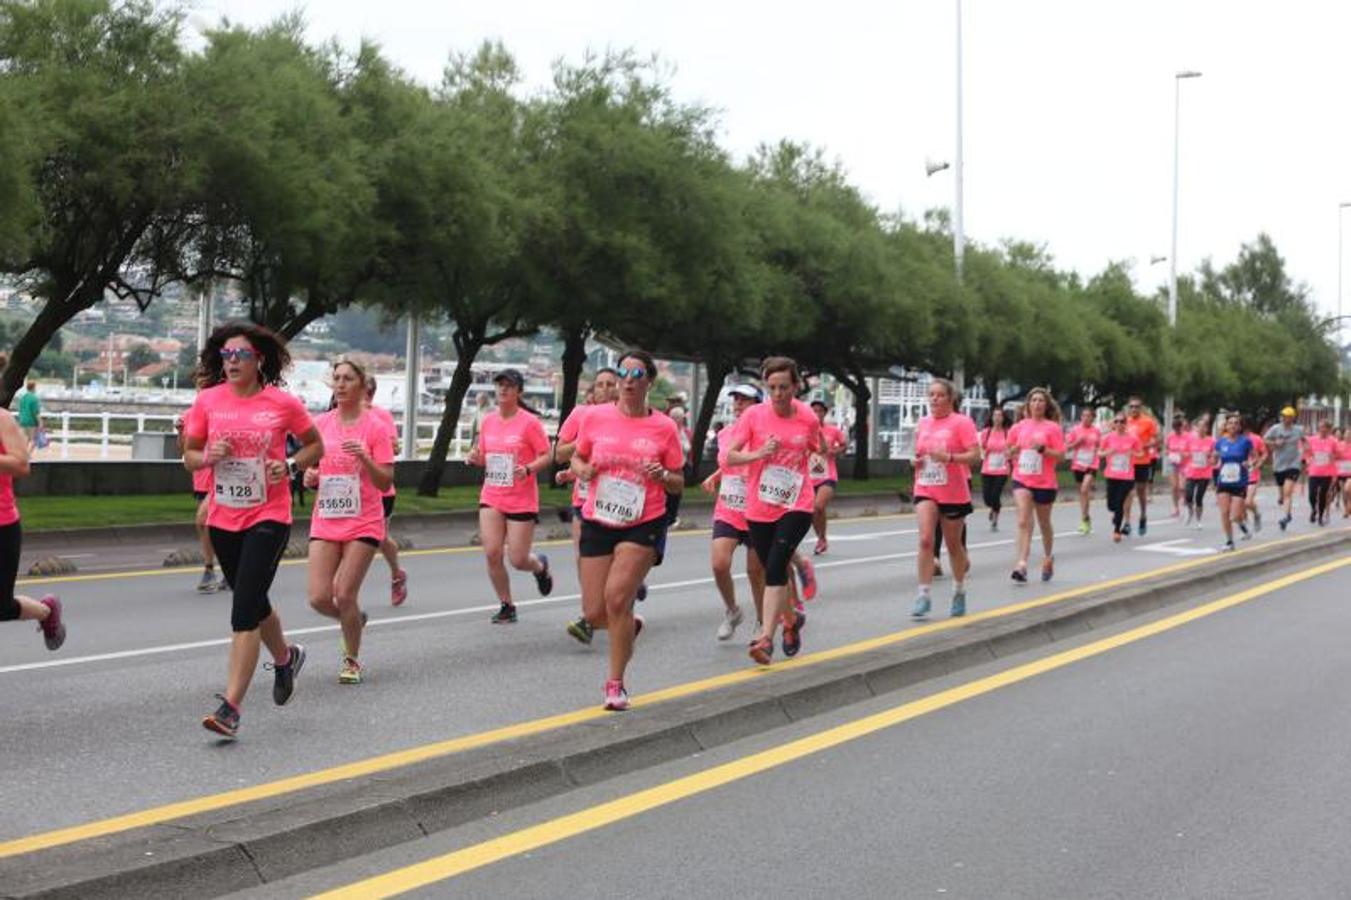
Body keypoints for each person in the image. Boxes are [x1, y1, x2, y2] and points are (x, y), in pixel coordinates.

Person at [182, 322, 322, 739]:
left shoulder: (282, 403)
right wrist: (208, 455)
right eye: (225, 356)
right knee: (255, 599)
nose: (231, 362)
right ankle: (286, 656)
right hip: (224, 518)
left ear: (258, 359)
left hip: (269, 516)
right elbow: (189, 457)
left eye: (240, 355)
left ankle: (231, 707)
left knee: (242, 610)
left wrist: (292, 466)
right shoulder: (207, 402)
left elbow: (316, 445)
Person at [569, 350, 684, 710]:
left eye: (637, 374)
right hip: (599, 517)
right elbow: (576, 455)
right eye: (624, 373)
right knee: (593, 612)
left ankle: (615, 684)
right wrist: (582, 469)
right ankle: (627, 626)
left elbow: (679, 482)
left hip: (644, 520)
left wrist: (663, 476)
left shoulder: (664, 427)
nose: (629, 380)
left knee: (617, 598)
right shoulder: (595, 417)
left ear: (649, 381)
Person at [723, 357, 823, 664]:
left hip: (796, 503)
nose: (778, 394)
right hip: (760, 506)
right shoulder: (754, 416)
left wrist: (816, 461)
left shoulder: (807, 417)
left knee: (777, 566)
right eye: (772, 388)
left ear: (795, 387)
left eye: (783, 387)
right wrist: (759, 453)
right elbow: (730, 457)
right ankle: (791, 620)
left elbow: (815, 448)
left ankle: (766, 638)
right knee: (773, 570)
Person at [302, 360, 395, 685]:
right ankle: (354, 619)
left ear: (361, 385)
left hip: (363, 521)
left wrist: (365, 458)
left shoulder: (375, 428)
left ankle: (351, 659)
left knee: (344, 594)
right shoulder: (320, 424)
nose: (340, 385)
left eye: (347, 379)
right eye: (336, 379)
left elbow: (385, 483)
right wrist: (311, 476)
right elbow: (311, 469)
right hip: (327, 518)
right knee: (318, 597)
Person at [467, 368, 553, 625]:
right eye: (499, 385)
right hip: (492, 495)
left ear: (519, 391)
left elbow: (547, 455)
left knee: (517, 559)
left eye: (509, 386)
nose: (503, 389)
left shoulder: (529, 423)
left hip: (521, 498)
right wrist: (475, 458)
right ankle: (507, 604)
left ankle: (540, 566)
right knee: (492, 553)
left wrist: (529, 469)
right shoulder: (489, 421)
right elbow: (483, 456)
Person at [0, 364, 66, 653]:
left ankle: (46, 612)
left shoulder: (2, 420)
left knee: (1, 607)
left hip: (1, 525)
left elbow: (21, 464)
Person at [556, 367, 621, 643]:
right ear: (592, 391)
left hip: (617, 500)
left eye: (610, 384)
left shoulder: (629, 418)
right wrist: (575, 463)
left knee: (616, 561)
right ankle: (589, 616)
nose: (605, 389)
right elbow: (560, 452)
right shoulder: (580, 415)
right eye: (599, 385)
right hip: (584, 499)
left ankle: (622, 595)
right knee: (584, 558)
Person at [700, 383, 766, 640]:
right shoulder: (726, 434)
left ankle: (763, 622)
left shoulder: (765, 435)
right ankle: (733, 610)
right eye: (736, 400)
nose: (739, 405)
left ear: (758, 405)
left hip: (757, 511)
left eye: (745, 400)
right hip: (728, 507)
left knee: (755, 571)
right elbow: (729, 463)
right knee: (719, 564)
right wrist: (715, 476)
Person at [910, 378, 979, 619]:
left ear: (950, 398)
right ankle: (923, 594)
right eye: (931, 395)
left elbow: (974, 455)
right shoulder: (924, 423)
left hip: (953, 491)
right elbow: (918, 453)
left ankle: (959, 590)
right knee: (926, 540)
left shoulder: (962, 423)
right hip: (926, 487)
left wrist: (949, 457)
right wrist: (915, 462)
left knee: (953, 544)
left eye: (939, 395)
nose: (934, 399)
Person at [1006, 387, 1065, 583]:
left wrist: (1043, 450)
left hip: (1045, 482)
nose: (1037, 404)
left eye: (1041, 400)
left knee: (1044, 522)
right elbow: (1010, 450)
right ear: (1028, 404)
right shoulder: (1019, 427)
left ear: (1046, 405)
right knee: (1023, 520)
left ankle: (1048, 557)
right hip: (1022, 478)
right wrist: (1012, 451)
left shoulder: (1052, 428)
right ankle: (1021, 564)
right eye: (1033, 400)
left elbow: (1061, 455)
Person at [364, 376, 407, 606]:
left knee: (379, 537)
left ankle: (397, 574)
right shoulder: (339, 414)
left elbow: (395, 446)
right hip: (351, 491)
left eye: (369, 392)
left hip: (380, 490)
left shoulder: (381, 416)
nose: (365, 396)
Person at [175, 414, 226, 593]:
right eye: (197, 384)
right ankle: (220, 570)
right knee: (213, 529)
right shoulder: (190, 414)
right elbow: (184, 451)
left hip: (221, 481)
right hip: (200, 481)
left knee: (203, 521)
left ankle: (211, 570)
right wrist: (181, 433)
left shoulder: (223, 410)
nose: (200, 386)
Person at [807, 397, 847, 555]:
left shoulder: (833, 430)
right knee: (812, 511)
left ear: (825, 413)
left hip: (827, 476)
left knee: (819, 506)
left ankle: (822, 538)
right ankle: (821, 538)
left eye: (820, 411)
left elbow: (844, 445)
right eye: (813, 411)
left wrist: (833, 451)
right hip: (809, 477)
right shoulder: (805, 430)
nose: (816, 413)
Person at [1213, 413, 1257, 552]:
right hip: (1224, 481)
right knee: (1224, 513)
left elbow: (1255, 458)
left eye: (1235, 423)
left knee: (1234, 515)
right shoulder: (1221, 442)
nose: (1233, 425)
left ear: (1239, 427)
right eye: (1230, 423)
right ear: (1226, 426)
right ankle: (1229, 541)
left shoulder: (1245, 442)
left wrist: (1248, 463)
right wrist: (1213, 459)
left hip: (1239, 482)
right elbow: (1214, 459)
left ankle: (1242, 526)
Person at [1098, 412, 1142, 542]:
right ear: (1113, 424)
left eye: (1122, 421)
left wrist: (1132, 453)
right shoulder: (1107, 438)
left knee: (1119, 502)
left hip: (1127, 476)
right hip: (1112, 474)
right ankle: (1116, 516)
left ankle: (1117, 531)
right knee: (1111, 505)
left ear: (1126, 424)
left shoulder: (1133, 438)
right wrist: (1107, 452)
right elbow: (1099, 453)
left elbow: (1140, 453)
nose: (1119, 424)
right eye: (1116, 421)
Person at [1120, 396, 1159, 536]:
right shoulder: (1124, 422)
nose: (1133, 409)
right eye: (1131, 406)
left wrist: (1145, 445)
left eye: (1136, 406)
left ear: (1141, 408)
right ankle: (1127, 522)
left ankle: (1143, 515)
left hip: (1143, 461)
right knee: (1127, 492)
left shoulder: (1148, 422)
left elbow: (1156, 441)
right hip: (1127, 462)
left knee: (1141, 492)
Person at [1263, 406, 1306, 531]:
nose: (1285, 419)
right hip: (1279, 464)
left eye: (1288, 416)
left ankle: (1286, 517)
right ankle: (1281, 499)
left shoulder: (1298, 430)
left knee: (1288, 492)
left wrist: (1305, 453)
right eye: (1284, 416)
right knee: (1282, 494)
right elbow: (1265, 439)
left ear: (1293, 418)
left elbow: (1304, 441)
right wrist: (1275, 443)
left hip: (1293, 464)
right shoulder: (1276, 429)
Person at [1066, 407, 1101, 534]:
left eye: (1089, 416)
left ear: (1093, 418)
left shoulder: (1096, 431)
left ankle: (1085, 518)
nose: (1086, 418)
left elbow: (1099, 447)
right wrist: (1077, 443)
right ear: (1081, 417)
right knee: (1082, 493)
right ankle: (1085, 518)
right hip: (1078, 464)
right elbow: (1067, 447)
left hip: (1092, 464)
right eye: (1084, 416)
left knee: (1084, 489)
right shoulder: (1075, 430)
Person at [979, 407, 1011, 531]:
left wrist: (1009, 452)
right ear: (992, 418)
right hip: (987, 469)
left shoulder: (1007, 433)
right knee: (987, 498)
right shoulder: (986, 432)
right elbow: (980, 448)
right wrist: (984, 451)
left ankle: (995, 520)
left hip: (1002, 469)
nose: (997, 418)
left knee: (996, 494)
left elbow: (1012, 448)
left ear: (1003, 418)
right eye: (995, 415)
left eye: (1000, 416)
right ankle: (992, 508)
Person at [1182, 414, 1214, 530]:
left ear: (1206, 428)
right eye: (1199, 426)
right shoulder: (1190, 439)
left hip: (1204, 474)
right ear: (1196, 428)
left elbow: (1215, 456)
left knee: (1199, 498)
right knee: (1188, 495)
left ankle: (1199, 520)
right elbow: (1184, 453)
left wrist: (1210, 456)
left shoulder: (1211, 441)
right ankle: (1190, 511)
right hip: (1191, 472)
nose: (1201, 429)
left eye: (1204, 427)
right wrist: (1189, 454)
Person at [1305, 419, 1339, 527]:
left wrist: (1335, 474)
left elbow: (1336, 456)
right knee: (1312, 494)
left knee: (1323, 495)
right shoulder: (1312, 440)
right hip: (1314, 472)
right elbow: (1307, 453)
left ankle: (1320, 516)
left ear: (1328, 430)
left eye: (1324, 428)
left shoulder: (1333, 441)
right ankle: (1313, 510)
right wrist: (1308, 460)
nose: (1322, 430)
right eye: (1320, 428)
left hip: (1327, 473)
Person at [1238, 421, 1268, 533]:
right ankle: (1245, 527)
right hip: (1239, 476)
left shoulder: (1256, 439)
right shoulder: (1236, 440)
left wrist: (1259, 462)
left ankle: (1256, 514)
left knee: (1248, 502)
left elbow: (1264, 453)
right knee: (1240, 503)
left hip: (1252, 474)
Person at [1163, 415, 1190, 519]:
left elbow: (1192, 450)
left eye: (1179, 427)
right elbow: (1166, 449)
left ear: (1182, 427)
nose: (1177, 430)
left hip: (1185, 464)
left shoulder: (1188, 436)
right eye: (1175, 427)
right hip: (1173, 463)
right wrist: (1169, 453)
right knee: (1174, 487)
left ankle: (1186, 502)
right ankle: (1175, 508)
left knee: (1182, 487)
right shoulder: (1170, 436)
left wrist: (1185, 454)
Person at [16, 378, 42, 454]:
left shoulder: (22, 398)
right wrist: (40, 423)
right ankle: (27, 456)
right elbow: (36, 413)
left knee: (25, 440)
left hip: (22, 421)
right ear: (33, 387)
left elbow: (20, 410)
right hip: (31, 422)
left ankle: (23, 454)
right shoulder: (34, 398)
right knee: (33, 440)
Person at [1336, 427, 1351, 518]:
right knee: (1343, 492)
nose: (1348, 436)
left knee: (1347, 489)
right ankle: (1346, 508)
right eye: (1347, 434)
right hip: (1341, 472)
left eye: (1350, 434)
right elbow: (1335, 456)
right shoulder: (1339, 444)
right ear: (1344, 435)